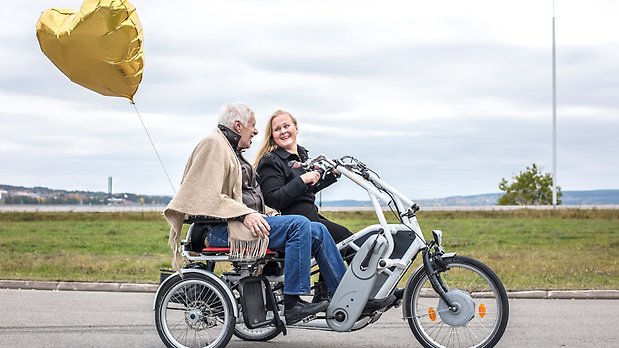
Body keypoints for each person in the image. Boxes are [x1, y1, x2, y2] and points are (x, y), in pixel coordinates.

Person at [164, 102, 346, 325]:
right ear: (238, 125)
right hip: (219, 230)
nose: (257, 131)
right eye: (253, 125)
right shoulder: (213, 145)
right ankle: (292, 304)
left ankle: (345, 296)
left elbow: (249, 198)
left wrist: (269, 213)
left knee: (317, 228)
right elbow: (205, 196)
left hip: (237, 223)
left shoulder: (231, 150)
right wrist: (243, 214)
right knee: (299, 224)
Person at [254, 110, 354, 300]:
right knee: (349, 243)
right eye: (277, 129)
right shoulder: (271, 160)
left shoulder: (301, 156)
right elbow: (273, 199)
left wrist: (330, 177)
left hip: (310, 217)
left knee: (350, 241)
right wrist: (303, 181)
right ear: (272, 135)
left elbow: (304, 193)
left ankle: (330, 293)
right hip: (296, 223)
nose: (283, 131)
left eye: (286, 126)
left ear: (296, 128)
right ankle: (339, 295)